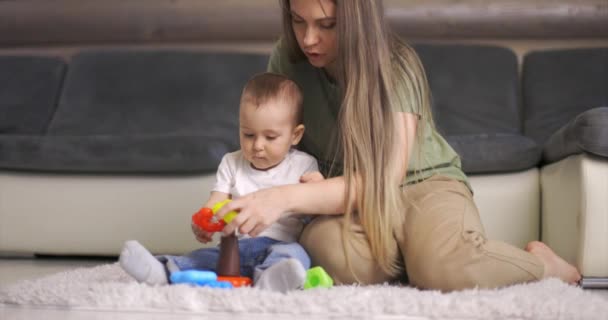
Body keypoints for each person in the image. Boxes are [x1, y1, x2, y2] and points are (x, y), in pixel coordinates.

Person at [213, 0, 582, 291]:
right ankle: (421, 258)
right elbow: (274, 137)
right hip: (349, 201)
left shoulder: (396, 65)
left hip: (420, 184)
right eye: (298, 20)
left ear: (356, 20)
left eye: (327, 25)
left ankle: (541, 265)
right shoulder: (288, 58)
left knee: (443, 270)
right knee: (323, 246)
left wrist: (282, 198)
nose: (308, 39)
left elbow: (384, 180)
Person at [119, 72, 323, 292]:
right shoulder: (231, 162)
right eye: (248, 135)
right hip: (233, 247)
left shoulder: (304, 165)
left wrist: (316, 189)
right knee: (200, 257)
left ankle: (271, 279)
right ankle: (161, 270)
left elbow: (312, 213)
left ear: (295, 135)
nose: (257, 146)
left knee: (296, 256)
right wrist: (203, 220)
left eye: (270, 137)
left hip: (279, 245)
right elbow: (216, 200)